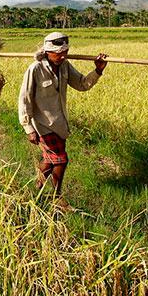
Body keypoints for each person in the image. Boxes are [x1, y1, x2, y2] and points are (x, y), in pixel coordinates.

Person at [18, 31, 107, 204]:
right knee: (60, 160)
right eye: (58, 53)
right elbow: (24, 99)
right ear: (47, 52)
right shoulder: (35, 69)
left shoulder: (65, 66)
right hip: (42, 124)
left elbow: (82, 84)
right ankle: (56, 197)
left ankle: (35, 188)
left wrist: (97, 70)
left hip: (60, 124)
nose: (62, 56)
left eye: (65, 52)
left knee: (50, 162)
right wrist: (28, 128)